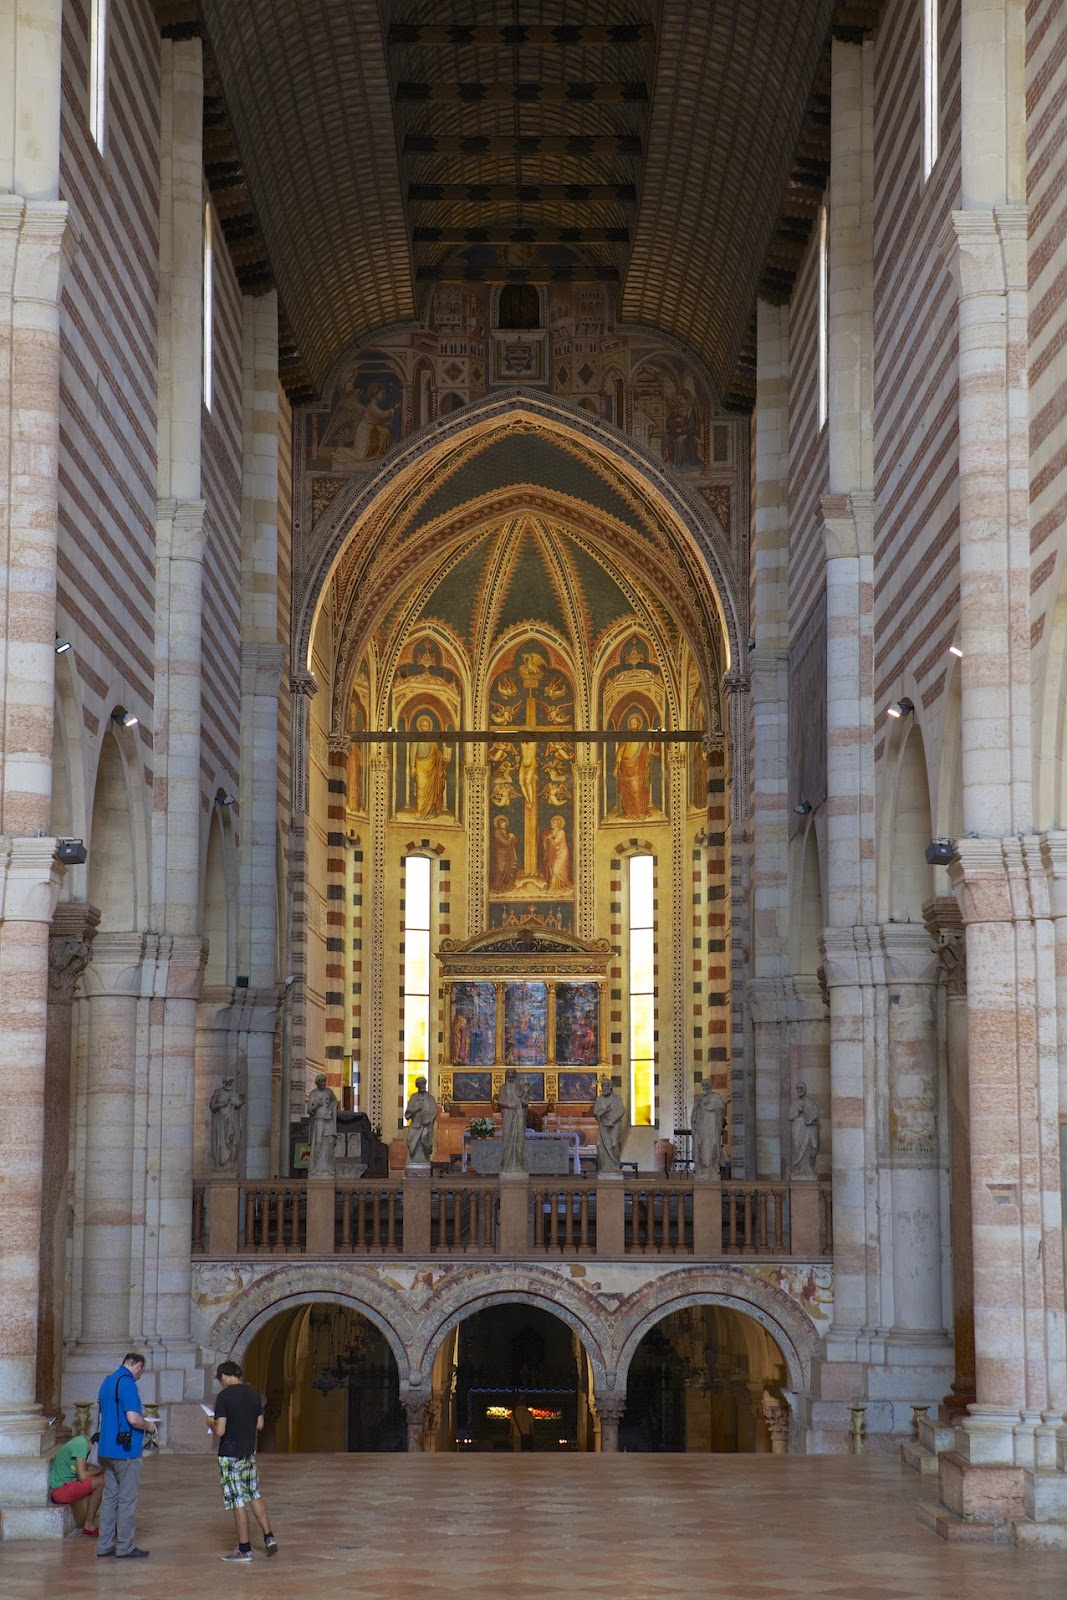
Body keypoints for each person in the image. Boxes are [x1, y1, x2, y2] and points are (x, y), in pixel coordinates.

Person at [210, 1359, 278, 1563]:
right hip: (248, 1453)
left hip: (229, 1455)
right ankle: (268, 1537)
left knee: (237, 1500)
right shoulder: (253, 1393)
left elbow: (220, 1430)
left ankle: (244, 1549)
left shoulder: (224, 1397)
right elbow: (260, 1424)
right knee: (253, 1494)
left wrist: (210, 1422)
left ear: (224, 1375)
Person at [95, 1351, 158, 1559]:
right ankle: (124, 1546)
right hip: (125, 1451)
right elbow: (132, 1418)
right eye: (142, 1371)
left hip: (105, 1448)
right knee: (127, 1499)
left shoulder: (107, 1381)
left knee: (109, 1497)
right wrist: (148, 1426)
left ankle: (104, 1544)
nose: (140, 1375)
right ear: (138, 1366)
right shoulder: (128, 1383)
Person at [49, 1427, 104, 1535]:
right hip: (60, 1490)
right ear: (97, 1446)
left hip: (69, 1485)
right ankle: (89, 1524)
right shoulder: (81, 1445)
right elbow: (82, 1476)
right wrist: (101, 1469)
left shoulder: (86, 1442)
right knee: (101, 1481)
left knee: (102, 1477)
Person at [613, 713, 653, 819]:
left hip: (639, 769)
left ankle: (639, 812)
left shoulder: (642, 741)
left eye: (635, 723)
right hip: (626, 767)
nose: (633, 725)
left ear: (638, 725)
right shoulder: (626, 739)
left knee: (638, 790)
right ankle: (628, 812)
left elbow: (645, 755)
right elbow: (620, 754)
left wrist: (648, 754)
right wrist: (616, 767)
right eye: (631, 723)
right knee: (628, 791)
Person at [410, 714, 450, 818]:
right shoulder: (417, 738)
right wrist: (412, 766)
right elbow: (412, 752)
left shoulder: (432, 740)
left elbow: (437, 753)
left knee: (431, 790)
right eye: (423, 726)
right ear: (420, 727)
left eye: (427, 726)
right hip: (420, 765)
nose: (425, 728)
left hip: (432, 766)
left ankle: (429, 811)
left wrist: (444, 758)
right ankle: (420, 810)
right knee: (421, 788)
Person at [692, 1078, 727, 1175]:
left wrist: (712, 1108)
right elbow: (695, 1111)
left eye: (706, 1085)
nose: (704, 1088)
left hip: (712, 1125)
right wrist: (693, 1126)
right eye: (703, 1086)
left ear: (709, 1086)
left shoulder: (715, 1097)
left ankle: (712, 1167)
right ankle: (701, 1167)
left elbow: (721, 1108)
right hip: (702, 1124)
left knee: (713, 1144)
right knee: (700, 1143)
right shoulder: (700, 1098)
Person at [209, 1074, 244, 1171]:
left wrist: (240, 1102)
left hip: (231, 1121)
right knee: (221, 1142)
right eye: (227, 1082)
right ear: (224, 1083)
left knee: (233, 1141)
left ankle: (231, 1164)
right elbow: (212, 1106)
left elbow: (238, 1105)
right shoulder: (218, 1092)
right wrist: (222, 1104)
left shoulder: (233, 1093)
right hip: (221, 1121)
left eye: (230, 1082)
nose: (229, 1084)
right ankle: (220, 1165)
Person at [307, 1073, 339, 1177]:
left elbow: (335, 1102)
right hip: (319, 1120)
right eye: (321, 1081)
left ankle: (328, 1167)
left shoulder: (329, 1092)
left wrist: (331, 1109)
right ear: (317, 1083)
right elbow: (309, 1110)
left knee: (329, 1142)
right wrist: (316, 1105)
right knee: (318, 1142)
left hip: (328, 1120)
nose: (323, 1083)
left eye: (325, 1081)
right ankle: (316, 1167)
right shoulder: (313, 1093)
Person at [593, 1077, 627, 1173]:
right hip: (603, 1125)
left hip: (614, 1125)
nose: (604, 1088)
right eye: (602, 1086)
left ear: (611, 1087)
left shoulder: (616, 1098)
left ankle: (615, 1167)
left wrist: (613, 1120)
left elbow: (621, 1111)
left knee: (614, 1145)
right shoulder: (599, 1099)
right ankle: (604, 1168)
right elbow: (595, 1113)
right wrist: (604, 1111)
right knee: (600, 1146)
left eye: (606, 1086)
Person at [498, 1067, 529, 1172]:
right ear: (506, 1075)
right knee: (507, 1138)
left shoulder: (520, 1087)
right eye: (509, 1073)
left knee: (519, 1139)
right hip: (508, 1114)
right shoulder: (503, 1087)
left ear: (515, 1075)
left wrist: (525, 1093)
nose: (510, 1075)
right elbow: (500, 1101)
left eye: (512, 1073)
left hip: (518, 1115)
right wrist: (509, 1105)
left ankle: (518, 1165)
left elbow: (525, 1102)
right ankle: (507, 1165)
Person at [404, 1075, 438, 1165]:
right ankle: (414, 1161)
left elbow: (434, 1112)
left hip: (425, 1126)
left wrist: (429, 1120)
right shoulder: (413, 1097)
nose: (422, 1086)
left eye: (424, 1084)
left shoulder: (430, 1098)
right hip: (415, 1124)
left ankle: (424, 1161)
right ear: (417, 1086)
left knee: (424, 1140)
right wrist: (415, 1109)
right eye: (420, 1084)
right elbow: (407, 1114)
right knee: (410, 1140)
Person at [790, 1083, 821, 1177]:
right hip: (798, 1126)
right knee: (797, 1146)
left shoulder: (810, 1101)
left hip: (810, 1127)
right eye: (797, 1088)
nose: (799, 1090)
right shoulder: (795, 1102)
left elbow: (816, 1114)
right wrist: (798, 1112)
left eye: (801, 1088)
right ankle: (798, 1170)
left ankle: (810, 1168)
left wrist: (810, 1119)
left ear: (805, 1089)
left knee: (814, 1146)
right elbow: (790, 1116)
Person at [541, 813, 572, 892]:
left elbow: (556, 842)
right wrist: (547, 838)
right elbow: (546, 837)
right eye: (552, 822)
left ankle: (561, 886)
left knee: (556, 870)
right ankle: (554, 886)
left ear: (558, 824)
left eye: (554, 823)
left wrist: (550, 839)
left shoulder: (561, 832)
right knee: (552, 870)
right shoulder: (552, 831)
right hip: (554, 853)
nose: (552, 824)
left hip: (561, 854)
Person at [490, 812, 519, 891]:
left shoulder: (506, 832)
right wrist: (510, 838)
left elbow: (515, 842)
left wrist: (514, 837)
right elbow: (505, 843)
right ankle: (497, 887)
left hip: (508, 854)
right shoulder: (497, 832)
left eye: (505, 823)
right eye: (502, 823)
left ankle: (505, 886)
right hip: (501, 854)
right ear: (499, 824)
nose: (504, 824)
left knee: (508, 870)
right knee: (501, 870)